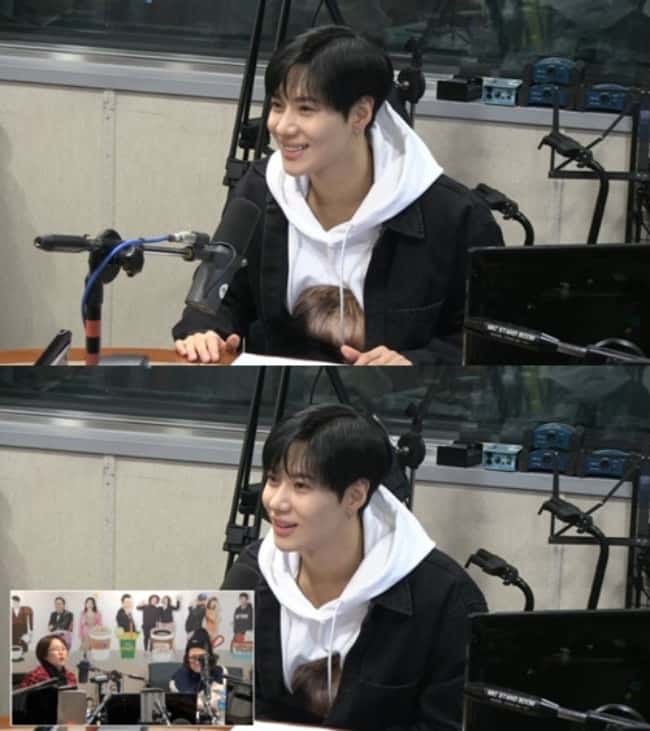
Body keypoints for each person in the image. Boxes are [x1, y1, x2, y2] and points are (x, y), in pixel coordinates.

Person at [173, 25, 503, 366]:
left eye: (306, 109)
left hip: (390, 389)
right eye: (277, 105)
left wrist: (416, 363)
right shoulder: (259, 187)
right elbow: (218, 298)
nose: (282, 127)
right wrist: (204, 332)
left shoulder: (453, 214)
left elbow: (490, 339)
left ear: (360, 114)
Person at [222, 403, 487, 730]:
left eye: (301, 485)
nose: (276, 502)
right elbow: (206, 705)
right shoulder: (253, 572)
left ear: (354, 496)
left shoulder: (445, 597)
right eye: (273, 480)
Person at [170, 629, 225, 722]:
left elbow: (218, 703)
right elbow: (184, 706)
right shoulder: (178, 677)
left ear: (210, 658)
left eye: (201, 658)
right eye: (192, 657)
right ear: (187, 658)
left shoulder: (221, 672)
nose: (197, 662)